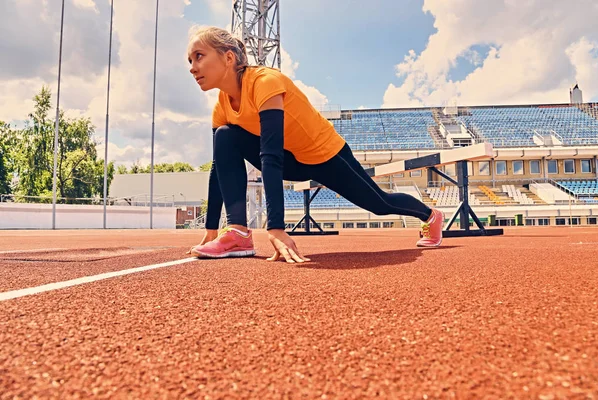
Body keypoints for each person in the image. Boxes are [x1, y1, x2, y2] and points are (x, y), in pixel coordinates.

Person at [186, 26, 444, 263]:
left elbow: (270, 154)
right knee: (225, 135)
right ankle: (238, 232)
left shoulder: (265, 82)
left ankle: (430, 216)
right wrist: (211, 229)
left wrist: (276, 227)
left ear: (228, 58)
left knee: (379, 204)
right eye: (190, 60)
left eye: (199, 56)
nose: (192, 67)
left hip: (326, 155)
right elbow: (218, 169)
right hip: (292, 161)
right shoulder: (221, 106)